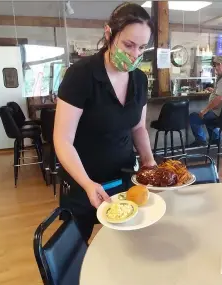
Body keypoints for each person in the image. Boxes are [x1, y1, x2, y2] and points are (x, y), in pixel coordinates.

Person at [53, 2, 156, 242]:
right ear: (109, 33)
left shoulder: (139, 79)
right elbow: (62, 139)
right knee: (77, 245)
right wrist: (88, 184)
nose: (134, 55)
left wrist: (149, 162)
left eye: (142, 48)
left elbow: (138, 127)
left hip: (122, 176)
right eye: (128, 45)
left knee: (126, 241)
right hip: (82, 179)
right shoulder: (81, 75)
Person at [189, 56, 222, 146]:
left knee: (195, 117)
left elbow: (220, 98)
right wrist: (214, 90)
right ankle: (215, 139)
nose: (216, 67)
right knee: (209, 116)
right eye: (215, 65)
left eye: (219, 64)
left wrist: (204, 110)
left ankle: (201, 140)